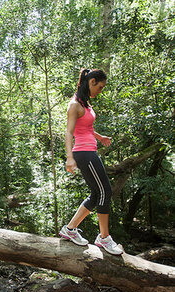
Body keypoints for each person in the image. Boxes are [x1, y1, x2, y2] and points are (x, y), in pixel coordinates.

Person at [59, 68, 123, 255]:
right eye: (100, 87)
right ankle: (104, 238)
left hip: (90, 150)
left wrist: (99, 136)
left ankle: (69, 229)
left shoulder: (84, 103)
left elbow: (85, 126)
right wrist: (69, 158)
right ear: (92, 81)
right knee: (106, 191)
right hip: (83, 153)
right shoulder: (74, 105)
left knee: (97, 194)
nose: (100, 91)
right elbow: (69, 132)